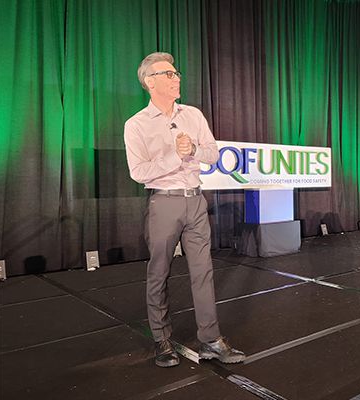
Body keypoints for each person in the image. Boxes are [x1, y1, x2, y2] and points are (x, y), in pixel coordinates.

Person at [123, 52, 245, 368]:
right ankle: (162, 340)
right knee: (159, 272)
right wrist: (175, 157)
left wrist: (193, 150)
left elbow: (213, 154)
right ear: (150, 82)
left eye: (176, 73)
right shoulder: (136, 124)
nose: (176, 78)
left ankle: (211, 340)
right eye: (169, 74)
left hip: (196, 200)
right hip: (164, 202)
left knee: (203, 271)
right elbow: (138, 171)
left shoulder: (193, 115)